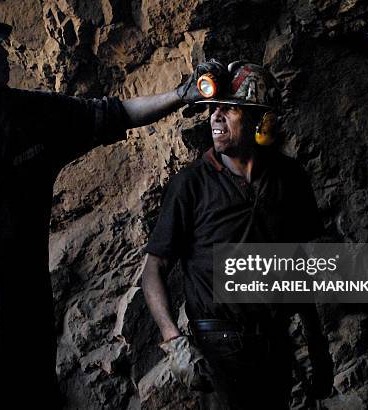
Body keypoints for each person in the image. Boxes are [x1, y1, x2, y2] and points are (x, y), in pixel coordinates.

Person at [0, 0, 224, 408]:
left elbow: (115, 114)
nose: (4, 56)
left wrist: (182, 94)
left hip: (25, 299)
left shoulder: (32, 114)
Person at [141, 60, 334, 409]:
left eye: (229, 109)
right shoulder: (192, 185)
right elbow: (153, 269)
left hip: (275, 342)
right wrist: (174, 341)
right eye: (213, 109)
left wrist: (315, 342)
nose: (215, 117)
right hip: (216, 348)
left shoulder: (288, 179)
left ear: (261, 120)